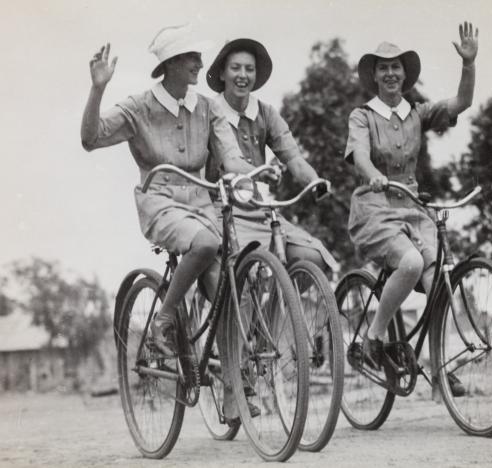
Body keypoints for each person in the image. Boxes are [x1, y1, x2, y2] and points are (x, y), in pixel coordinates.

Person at [80, 24, 256, 357]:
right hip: (159, 201)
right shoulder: (138, 107)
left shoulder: (208, 107)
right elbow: (91, 139)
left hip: (202, 202)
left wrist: (259, 172)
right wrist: (97, 90)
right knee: (206, 242)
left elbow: (231, 158)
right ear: (171, 62)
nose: (200, 64)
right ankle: (164, 317)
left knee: (227, 291)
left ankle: (235, 387)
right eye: (192, 57)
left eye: (199, 56)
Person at [344, 22, 479, 393]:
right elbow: (359, 156)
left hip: (414, 208)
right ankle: (373, 337)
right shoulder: (362, 116)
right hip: (375, 207)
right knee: (412, 263)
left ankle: (438, 369)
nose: (390, 73)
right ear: (374, 75)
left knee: (439, 281)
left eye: (396, 67)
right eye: (383, 67)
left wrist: (468, 64)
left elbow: (461, 103)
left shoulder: (417, 113)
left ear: (405, 74)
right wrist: (372, 174)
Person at [205, 38, 337, 272]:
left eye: (249, 69)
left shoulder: (265, 113)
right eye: (235, 68)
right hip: (220, 210)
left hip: (258, 208)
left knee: (312, 257)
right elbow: (227, 162)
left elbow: (294, 158)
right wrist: (263, 174)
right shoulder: (209, 112)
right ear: (222, 74)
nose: (242, 75)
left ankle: (276, 308)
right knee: (244, 271)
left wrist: (315, 181)